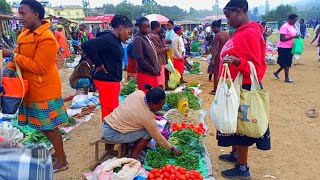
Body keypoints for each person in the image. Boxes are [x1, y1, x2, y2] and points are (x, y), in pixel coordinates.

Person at [1, 0, 69, 172]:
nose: (20, 17)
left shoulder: (46, 38)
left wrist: (14, 56)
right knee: (43, 127)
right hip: (30, 89)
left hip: (44, 90)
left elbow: (39, 67)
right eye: (20, 13)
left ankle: (62, 161)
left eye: (23, 14)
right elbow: (18, 55)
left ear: (36, 14)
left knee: (50, 128)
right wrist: (9, 69)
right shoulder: (24, 34)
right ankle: (59, 154)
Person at [217, 0, 271, 179]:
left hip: (244, 87)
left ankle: (243, 168)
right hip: (233, 86)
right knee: (233, 122)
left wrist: (238, 62)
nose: (228, 21)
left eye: (228, 16)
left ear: (239, 11)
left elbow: (258, 67)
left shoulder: (250, 34)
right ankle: (235, 154)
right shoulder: (239, 32)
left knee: (241, 126)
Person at [103, 85, 182, 160]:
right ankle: (134, 155)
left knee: (142, 126)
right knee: (148, 132)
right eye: (160, 105)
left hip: (107, 124)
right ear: (151, 103)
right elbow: (159, 138)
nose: (160, 108)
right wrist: (172, 148)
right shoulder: (147, 117)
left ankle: (131, 146)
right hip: (112, 134)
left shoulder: (138, 93)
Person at [81, 15, 133, 121]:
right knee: (110, 111)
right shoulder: (107, 39)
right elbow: (86, 45)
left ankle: (110, 133)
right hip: (107, 80)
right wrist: (99, 63)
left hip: (112, 80)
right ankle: (109, 134)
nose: (129, 37)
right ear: (121, 28)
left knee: (112, 110)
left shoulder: (115, 40)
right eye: (129, 33)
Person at [133, 17, 160, 93]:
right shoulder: (138, 39)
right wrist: (152, 69)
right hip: (145, 73)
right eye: (144, 27)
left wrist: (157, 66)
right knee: (147, 95)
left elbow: (153, 53)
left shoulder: (147, 37)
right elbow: (139, 59)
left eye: (148, 27)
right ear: (139, 27)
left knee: (153, 96)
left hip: (152, 73)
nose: (147, 29)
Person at [273, 14, 299, 83]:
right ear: (290, 19)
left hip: (290, 47)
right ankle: (286, 78)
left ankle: (276, 73)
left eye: (296, 20)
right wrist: (293, 37)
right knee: (286, 63)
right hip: (283, 47)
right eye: (294, 20)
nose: (295, 21)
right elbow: (282, 39)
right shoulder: (284, 27)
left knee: (286, 62)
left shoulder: (292, 26)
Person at [209, 20, 229, 95]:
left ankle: (215, 90)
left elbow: (216, 48)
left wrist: (212, 59)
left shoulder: (217, 35)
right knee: (224, 72)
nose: (212, 30)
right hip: (226, 55)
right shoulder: (226, 33)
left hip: (219, 55)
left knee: (216, 73)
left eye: (212, 28)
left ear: (216, 27)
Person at [149, 21, 170, 89]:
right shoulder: (154, 36)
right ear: (157, 28)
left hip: (155, 61)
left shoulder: (151, 35)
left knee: (158, 80)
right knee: (159, 81)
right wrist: (165, 49)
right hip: (158, 61)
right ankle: (160, 95)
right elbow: (156, 51)